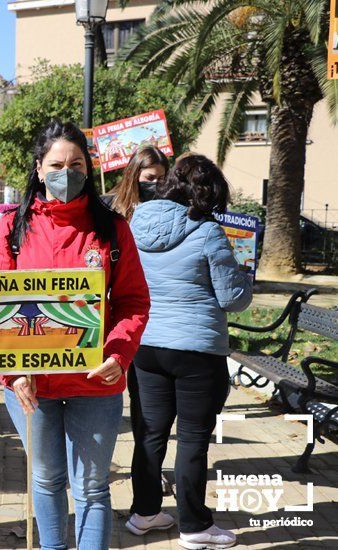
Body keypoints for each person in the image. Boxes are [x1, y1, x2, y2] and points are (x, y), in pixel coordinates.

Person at [0, 120, 150, 549]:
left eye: (76, 163)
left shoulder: (113, 229)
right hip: (30, 384)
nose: (66, 172)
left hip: (95, 381)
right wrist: (11, 374)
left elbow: (132, 301)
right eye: (56, 164)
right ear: (39, 168)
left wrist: (118, 353)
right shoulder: (11, 230)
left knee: (93, 487)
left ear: (88, 169)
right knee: (46, 479)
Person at [126, 153, 252, 549]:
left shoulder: (136, 223)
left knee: (150, 433)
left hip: (146, 345)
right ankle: (195, 526)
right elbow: (233, 299)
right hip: (196, 350)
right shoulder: (207, 230)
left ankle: (144, 513)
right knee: (194, 438)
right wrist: (245, 277)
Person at [101, 146, 170, 220]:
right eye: (150, 178)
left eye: (161, 178)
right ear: (134, 175)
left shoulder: (166, 206)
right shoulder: (106, 205)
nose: (155, 182)